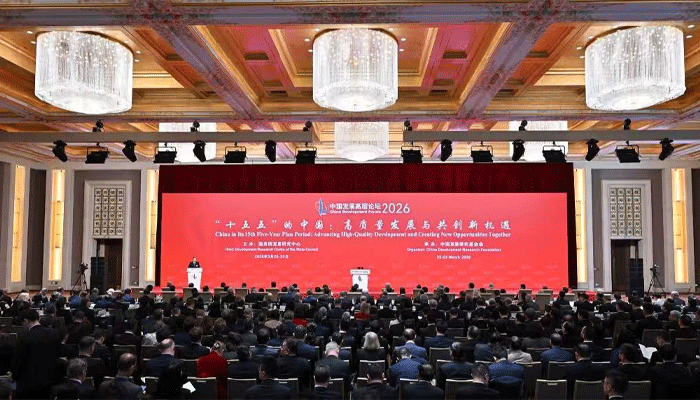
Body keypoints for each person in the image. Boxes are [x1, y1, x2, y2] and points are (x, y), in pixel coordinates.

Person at [11, 309, 62, 399]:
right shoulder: (54, 334)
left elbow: (18, 362)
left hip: (28, 385)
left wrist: (15, 376)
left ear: (26, 321)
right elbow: (58, 355)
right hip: (50, 383)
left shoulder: (24, 337)